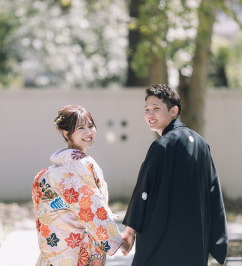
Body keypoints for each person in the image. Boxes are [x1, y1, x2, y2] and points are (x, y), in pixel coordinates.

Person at [121, 84, 228, 266]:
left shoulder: (162, 145)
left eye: (156, 109)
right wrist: (216, 238)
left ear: (173, 111)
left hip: (163, 237)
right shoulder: (202, 144)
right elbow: (214, 191)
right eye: (147, 110)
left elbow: (144, 189)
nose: (149, 115)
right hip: (195, 237)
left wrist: (130, 231)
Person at [32, 105, 122, 266]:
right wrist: (115, 239)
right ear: (67, 134)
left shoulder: (46, 174)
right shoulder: (82, 164)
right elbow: (92, 207)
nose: (89, 132)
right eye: (81, 128)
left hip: (57, 248)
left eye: (91, 126)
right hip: (78, 248)